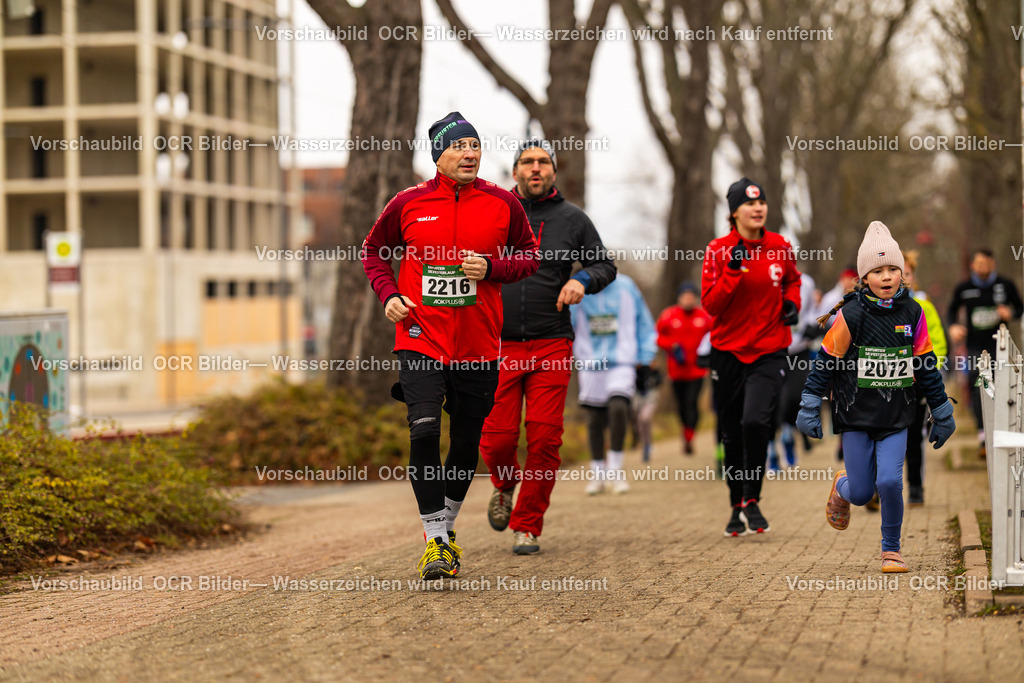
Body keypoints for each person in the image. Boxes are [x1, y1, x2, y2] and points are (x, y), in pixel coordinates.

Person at [361, 112, 539, 579]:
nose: (469, 153)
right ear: (438, 155)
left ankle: (445, 528)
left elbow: (529, 256)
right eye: (459, 146)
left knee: (465, 442)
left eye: (474, 145)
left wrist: (493, 269)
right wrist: (389, 295)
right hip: (420, 336)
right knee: (422, 432)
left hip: (479, 344)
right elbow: (373, 251)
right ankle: (436, 542)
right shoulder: (408, 203)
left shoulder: (503, 203)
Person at [480, 139, 616, 556]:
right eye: (527, 162)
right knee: (497, 439)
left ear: (554, 172)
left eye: (543, 162)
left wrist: (581, 279)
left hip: (551, 343)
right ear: (515, 172)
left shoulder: (572, 219)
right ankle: (504, 485)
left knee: (543, 439)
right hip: (497, 344)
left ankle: (527, 524)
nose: (535, 168)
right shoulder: (494, 212)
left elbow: (604, 265)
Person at [797, 222, 955, 573]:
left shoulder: (914, 313)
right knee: (861, 492)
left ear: (903, 274)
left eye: (893, 269)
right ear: (864, 277)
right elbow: (825, 361)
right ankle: (843, 487)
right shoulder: (850, 314)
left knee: (889, 482)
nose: (886, 276)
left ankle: (891, 549)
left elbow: (926, 364)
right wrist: (810, 402)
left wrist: (941, 409)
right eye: (878, 270)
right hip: (855, 415)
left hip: (897, 415)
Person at [701, 177, 802, 537]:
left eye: (761, 202)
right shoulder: (718, 250)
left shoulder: (780, 246)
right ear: (734, 212)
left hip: (769, 350)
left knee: (756, 422)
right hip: (728, 352)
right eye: (749, 203)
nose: (758, 208)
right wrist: (732, 271)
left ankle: (752, 498)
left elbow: (792, 280)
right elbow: (711, 305)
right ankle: (735, 505)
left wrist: (791, 303)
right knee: (730, 431)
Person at [570, 273, 657, 494]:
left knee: (619, 408)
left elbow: (644, 323)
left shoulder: (626, 286)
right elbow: (567, 323)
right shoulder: (577, 286)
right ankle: (598, 473)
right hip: (590, 363)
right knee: (595, 418)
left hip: (622, 361)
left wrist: (646, 357)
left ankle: (615, 470)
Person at [947, 248, 1024, 458]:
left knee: (1000, 387)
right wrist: (954, 326)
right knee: (978, 385)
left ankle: (1000, 431)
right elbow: (952, 310)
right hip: (974, 348)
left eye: (987, 264)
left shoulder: (1005, 285)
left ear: (993, 264)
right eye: (979, 263)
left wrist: (1010, 313)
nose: (983, 268)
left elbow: (1019, 308)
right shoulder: (964, 288)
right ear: (973, 265)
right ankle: (983, 435)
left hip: (1000, 346)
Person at [902, 250, 948, 505]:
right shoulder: (874, 307)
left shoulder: (924, 307)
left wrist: (929, 372)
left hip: (917, 382)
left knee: (913, 436)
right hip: (885, 382)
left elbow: (938, 343)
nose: (902, 278)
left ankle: (915, 487)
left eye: (907, 273)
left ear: (913, 276)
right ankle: (876, 487)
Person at [768, 269, 820, 470]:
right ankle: (771, 449)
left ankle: (788, 434)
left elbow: (812, 311)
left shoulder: (806, 282)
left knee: (795, 396)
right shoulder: (764, 277)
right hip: (770, 350)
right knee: (771, 400)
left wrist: (813, 325)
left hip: (798, 349)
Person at [656, 281, 712, 456]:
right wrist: (670, 345)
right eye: (685, 296)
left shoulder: (704, 316)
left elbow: (713, 337)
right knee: (681, 405)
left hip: (697, 371)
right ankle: (685, 430)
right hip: (676, 371)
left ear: (695, 298)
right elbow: (657, 336)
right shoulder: (668, 315)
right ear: (679, 298)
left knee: (692, 403)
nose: (688, 299)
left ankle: (690, 435)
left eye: (691, 296)